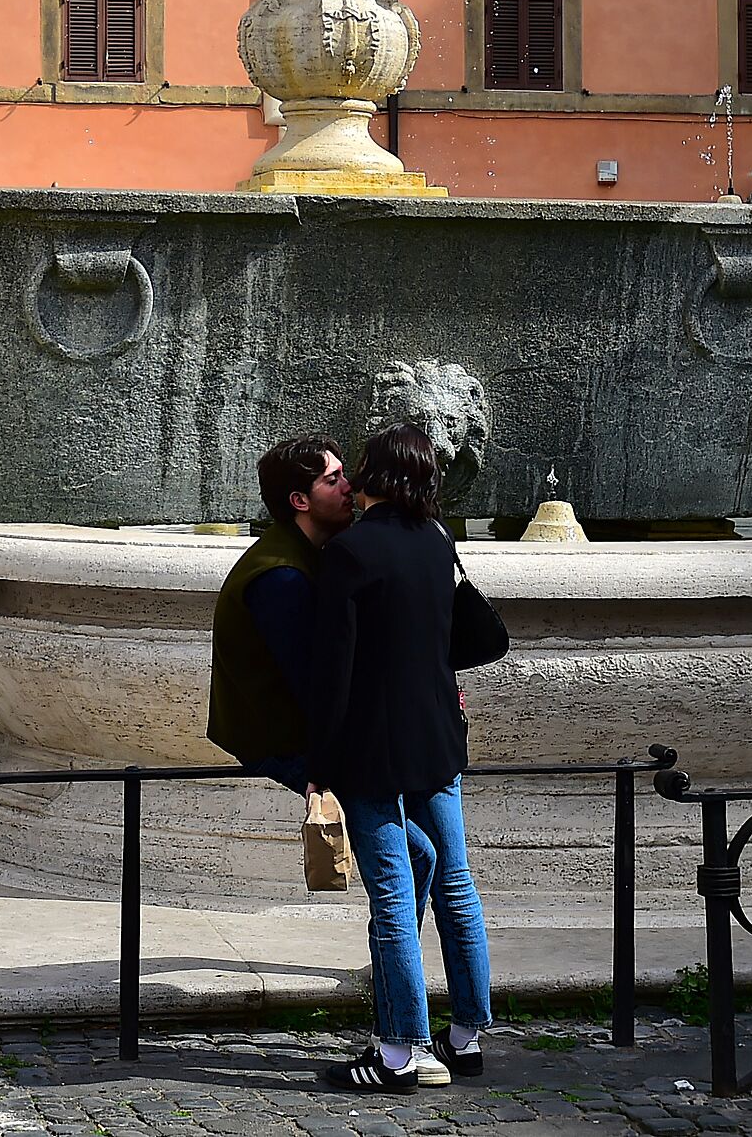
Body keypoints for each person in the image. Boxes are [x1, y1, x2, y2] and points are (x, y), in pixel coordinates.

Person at [305, 424, 491, 1094]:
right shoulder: (438, 539)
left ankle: (397, 1054)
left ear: (374, 474)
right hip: (437, 735)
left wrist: (319, 761)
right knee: (456, 884)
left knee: (391, 897)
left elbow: (333, 671)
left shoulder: (350, 552)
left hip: (372, 749)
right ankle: (466, 1037)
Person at [208, 434, 358, 791]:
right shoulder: (281, 577)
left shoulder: (299, 552)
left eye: (343, 475)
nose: (348, 487)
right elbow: (311, 682)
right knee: (396, 826)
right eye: (332, 480)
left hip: (287, 733)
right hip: (280, 745)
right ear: (300, 501)